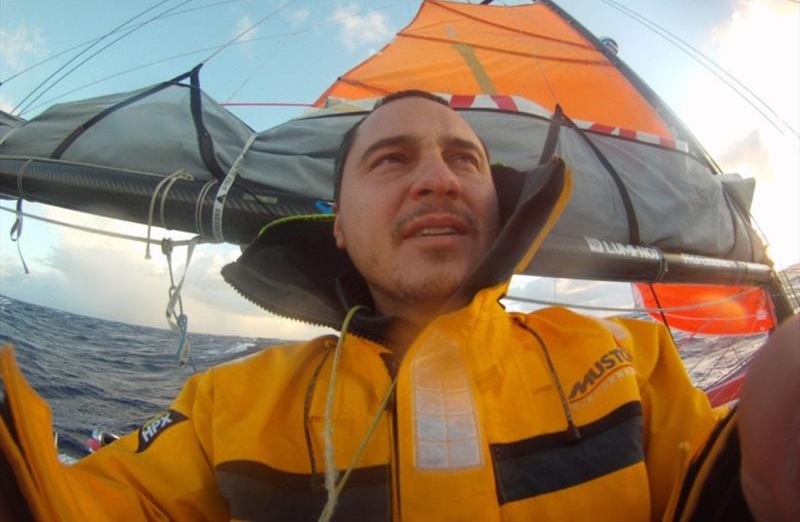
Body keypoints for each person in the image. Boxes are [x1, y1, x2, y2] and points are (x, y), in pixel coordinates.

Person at [1, 90, 798, 521]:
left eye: (465, 159)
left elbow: (726, 489)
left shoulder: (629, 360)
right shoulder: (227, 409)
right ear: (339, 228)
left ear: (495, 206)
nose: (439, 179)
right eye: (392, 158)